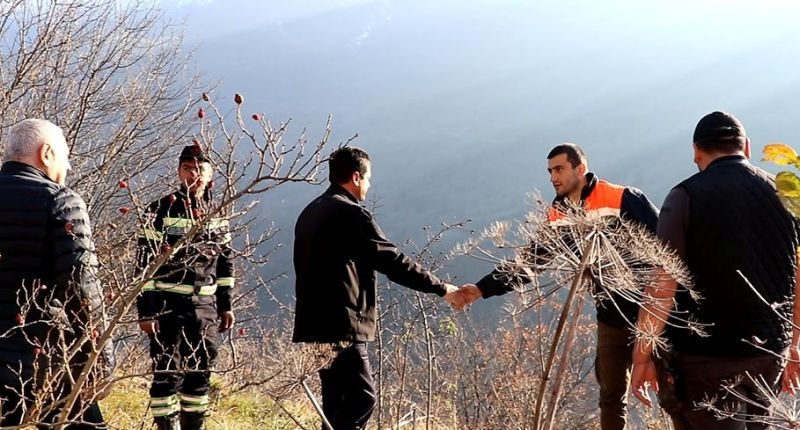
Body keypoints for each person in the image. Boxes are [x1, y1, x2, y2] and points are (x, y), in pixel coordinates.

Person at [459, 143, 659, 430]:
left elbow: (667, 250)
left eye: (560, 169)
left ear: (581, 169)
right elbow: (529, 263)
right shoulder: (558, 215)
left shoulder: (621, 198)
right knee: (611, 397)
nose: (553, 177)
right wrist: (480, 290)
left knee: (672, 390)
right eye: (550, 171)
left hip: (653, 313)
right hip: (611, 317)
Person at [631, 111, 800, 429]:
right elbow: (799, 277)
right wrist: (793, 345)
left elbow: (662, 284)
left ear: (696, 151)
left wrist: (642, 356)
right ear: (747, 148)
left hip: (706, 359)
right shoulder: (786, 195)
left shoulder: (685, 197)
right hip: (769, 354)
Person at [292, 146, 468, 430]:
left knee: (335, 403)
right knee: (363, 399)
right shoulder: (350, 214)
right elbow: (392, 260)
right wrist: (443, 288)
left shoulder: (311, 211)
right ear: (356, 176)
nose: (370, 185)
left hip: (313, 323)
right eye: (369, 178)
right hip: (341, 324)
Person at [0, 119, 112, 428]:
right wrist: (99, 361)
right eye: (65, 156)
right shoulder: (59, 201)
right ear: (46, 153)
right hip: (39, 362)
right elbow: (82, 289)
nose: (69, 166)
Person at [136, 144, 236, 430]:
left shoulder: (218, 214)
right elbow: (144, 265)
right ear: (179, 172)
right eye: (187, 169)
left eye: (200, 169)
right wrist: (146, 312)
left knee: (200, 372)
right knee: (166, 371)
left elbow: (226, 264)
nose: (194, 174)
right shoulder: (158, 210)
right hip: (167, 306)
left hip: (205, 310)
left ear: (210, 174)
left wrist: (226, 305)